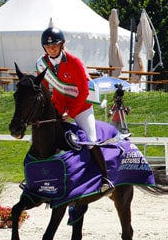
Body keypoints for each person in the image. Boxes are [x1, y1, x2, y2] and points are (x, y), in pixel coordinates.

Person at [36, 26, 113, 194]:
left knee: (91, 141)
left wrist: (70, 113)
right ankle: (39, 177)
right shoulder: (43, 64)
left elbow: (84, 91)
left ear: (62, 45)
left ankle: (105, 178)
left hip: (80, 107)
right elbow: (43, 89)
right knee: (44, 138)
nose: (51, 49)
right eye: (48, 47)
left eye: (54, 46)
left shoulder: (74, 62)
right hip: (58, 106)